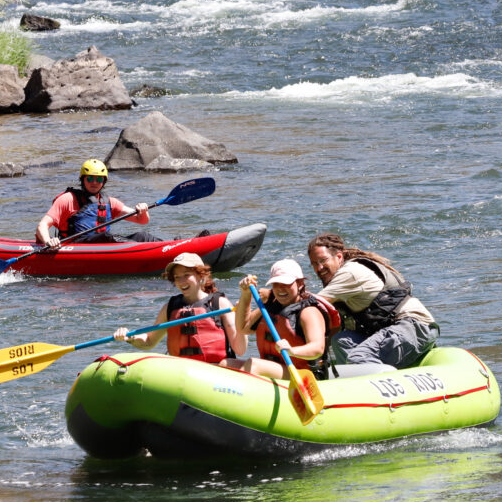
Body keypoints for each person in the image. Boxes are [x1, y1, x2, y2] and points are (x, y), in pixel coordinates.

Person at [305, 233, 438, 370]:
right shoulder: (339, 283)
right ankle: (352, 378)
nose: (319, 268)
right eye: (314, 263)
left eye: (323, 260)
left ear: (339, 257)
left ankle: (375, 384)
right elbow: (333, 326)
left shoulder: (350, 273)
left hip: (415, 327)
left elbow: (313, 306)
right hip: (390, 330)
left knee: (359, 357)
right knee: (341, 340)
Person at [112, 252, 241, 364]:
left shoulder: (220, 304)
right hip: (181, 373)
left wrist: (242, 315)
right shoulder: (170, 307)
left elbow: (240, 349)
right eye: (177, 277)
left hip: (215, 372)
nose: (181, 281)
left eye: (186, 275)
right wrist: (130, 337)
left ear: (201, 275)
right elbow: (149, 341)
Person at [224, 258, 339, 379]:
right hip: (278, 369)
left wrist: (291, 351)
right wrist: (246, 293)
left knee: (254, 365)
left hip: (306, 375)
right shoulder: (272, 307)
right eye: (276, 284)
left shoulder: (309, 312)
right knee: (226, 364)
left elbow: (317, 348)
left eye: (286, 284)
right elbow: (243, 328)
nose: (280, 288)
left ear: (300, 284)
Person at [35, 159, 160, 248]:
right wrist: (48, 241)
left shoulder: (109, 202)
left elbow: (142, 220)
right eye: (90, 178)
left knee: (142, 236)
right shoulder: (67, 199)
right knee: (106, 236)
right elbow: (42, 225)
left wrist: (143, 210)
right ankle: (141, 251)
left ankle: (170, 249)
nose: (94, 182)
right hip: (75, 248)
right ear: (82, 180)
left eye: (99, 179)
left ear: (103, 182)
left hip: (103, 246)